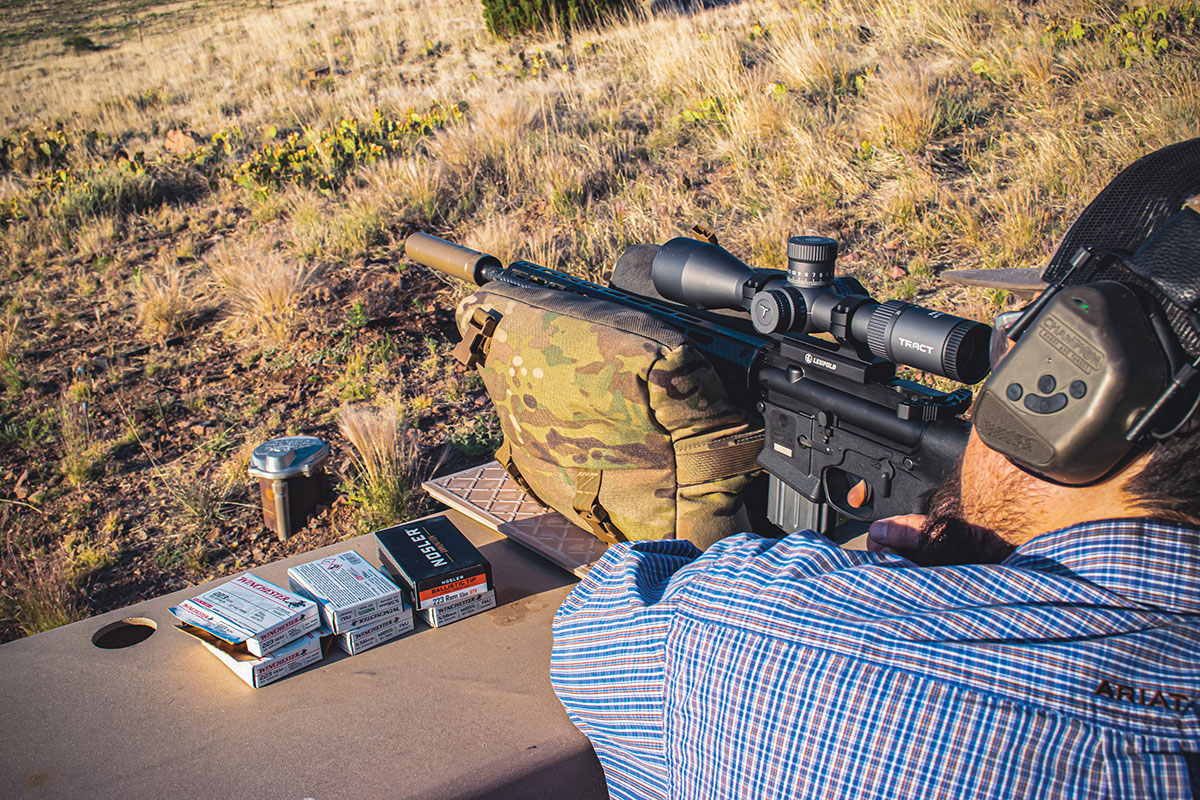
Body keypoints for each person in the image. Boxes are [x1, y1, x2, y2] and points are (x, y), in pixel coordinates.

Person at [550, 140, 1200, 799]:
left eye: (1020, 337)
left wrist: (868, 573)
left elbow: (589, 634)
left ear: (1066, 404)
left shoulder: (750, 624)